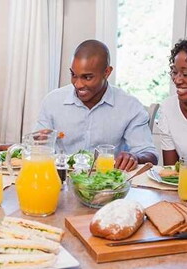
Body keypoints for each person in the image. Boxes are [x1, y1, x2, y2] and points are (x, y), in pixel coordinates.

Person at [36, 39, 158, 171]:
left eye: (87, 77)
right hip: (62, 182)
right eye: (73, 75)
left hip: (108, 184)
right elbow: (37, 148)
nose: (78, 84)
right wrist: (38, 143)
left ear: (107, 72)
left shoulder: (130, 106)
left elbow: (150, 154)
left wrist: (135, 157)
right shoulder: (52, 101)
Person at [157, 39, 187, 165]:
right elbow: (170, 173)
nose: (177, 80)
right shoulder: (168, 108)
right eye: (175, 72)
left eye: (185, 74)